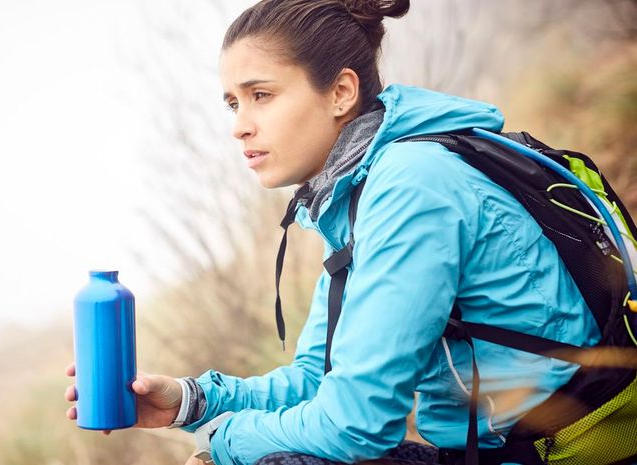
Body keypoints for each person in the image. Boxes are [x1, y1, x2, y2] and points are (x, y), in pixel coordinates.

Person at [64, 1, 604, 464]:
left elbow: (356, 423)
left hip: (556, 451)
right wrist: (189, 402)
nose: (239, 126)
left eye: (261, 95)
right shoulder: (358, 196)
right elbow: (319, 380)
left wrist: (222, 442)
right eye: (233, 102)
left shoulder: (413, 186)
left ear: (341, 92)